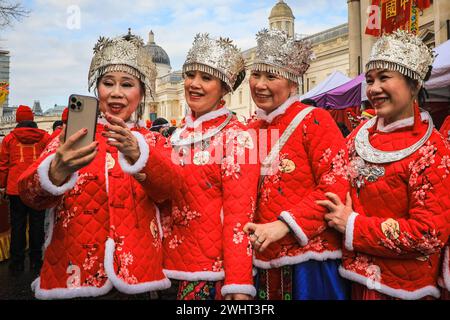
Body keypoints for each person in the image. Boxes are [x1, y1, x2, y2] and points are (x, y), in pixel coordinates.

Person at [17, 31, 170, 299]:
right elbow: (30, 195)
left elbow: (170, 192)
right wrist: (55, 172)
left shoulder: (153, 141)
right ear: (96, 89)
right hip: (74, 274)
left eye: (127, 84)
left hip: (136, 276)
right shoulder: (69, 138)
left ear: (142, 92)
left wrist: (141, 157)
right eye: (108, 83)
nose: (116, 93)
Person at [118, 33, 259, 300]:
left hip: (209, 273)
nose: (194, 84)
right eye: (190, 75)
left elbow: (239, 216)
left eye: (206, 78)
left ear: (225, 88)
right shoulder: (177, 136)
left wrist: (238, 284)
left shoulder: (239, 136)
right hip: (165, 268)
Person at [316, 30, 450, 300]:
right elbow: (331, 180)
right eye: (370, 80)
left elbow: (429, 233)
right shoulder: (358, 136)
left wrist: (353, 225)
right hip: (353, 279)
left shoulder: (432, 150)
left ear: (414, 85)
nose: (374, 89)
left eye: (384, 78)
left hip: (404, 289)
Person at [243, 29, 350, 300]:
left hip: (309, 259)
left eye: (271, 76)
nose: (260, 84)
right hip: (259, 257)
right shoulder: (250, 128)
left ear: (293, 84)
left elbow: (334, 183)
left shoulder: (315, 120)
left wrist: (285, 225)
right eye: (256, 74)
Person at [0, 105, 51, 276]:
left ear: (17, 120)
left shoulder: (9, 139)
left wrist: (2, 184)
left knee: (18, 226)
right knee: (37, 225)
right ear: (33, 119)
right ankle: (37, 261)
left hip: (16, 188)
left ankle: (17, 263)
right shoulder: (45, 137)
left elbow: (3, 165)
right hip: (38, 188)